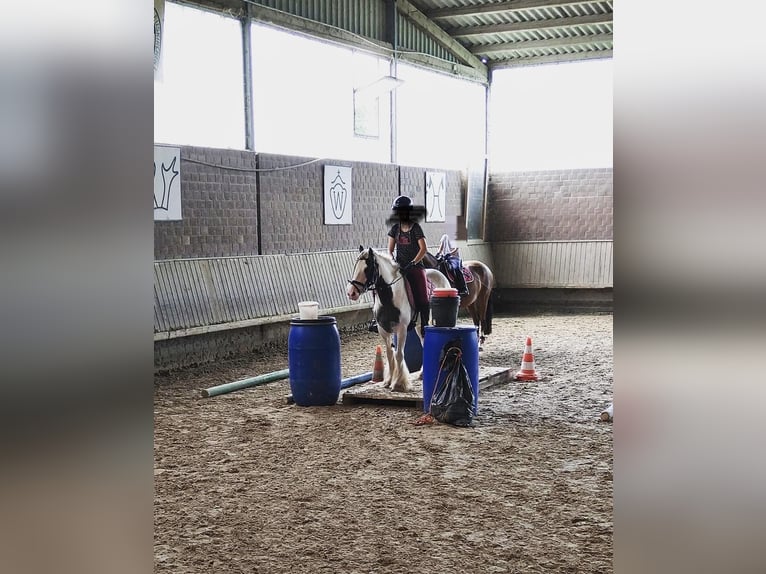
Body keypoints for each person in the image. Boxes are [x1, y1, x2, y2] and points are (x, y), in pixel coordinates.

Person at [387, 195, 430, 334]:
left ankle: (424, 323)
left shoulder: (416, 228)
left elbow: (423, 249)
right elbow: (390, 249)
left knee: (423, 296)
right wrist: (392, 259)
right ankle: (382, 318)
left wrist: (413, 263)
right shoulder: (394, 229)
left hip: (415, 267)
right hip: (400, 267)